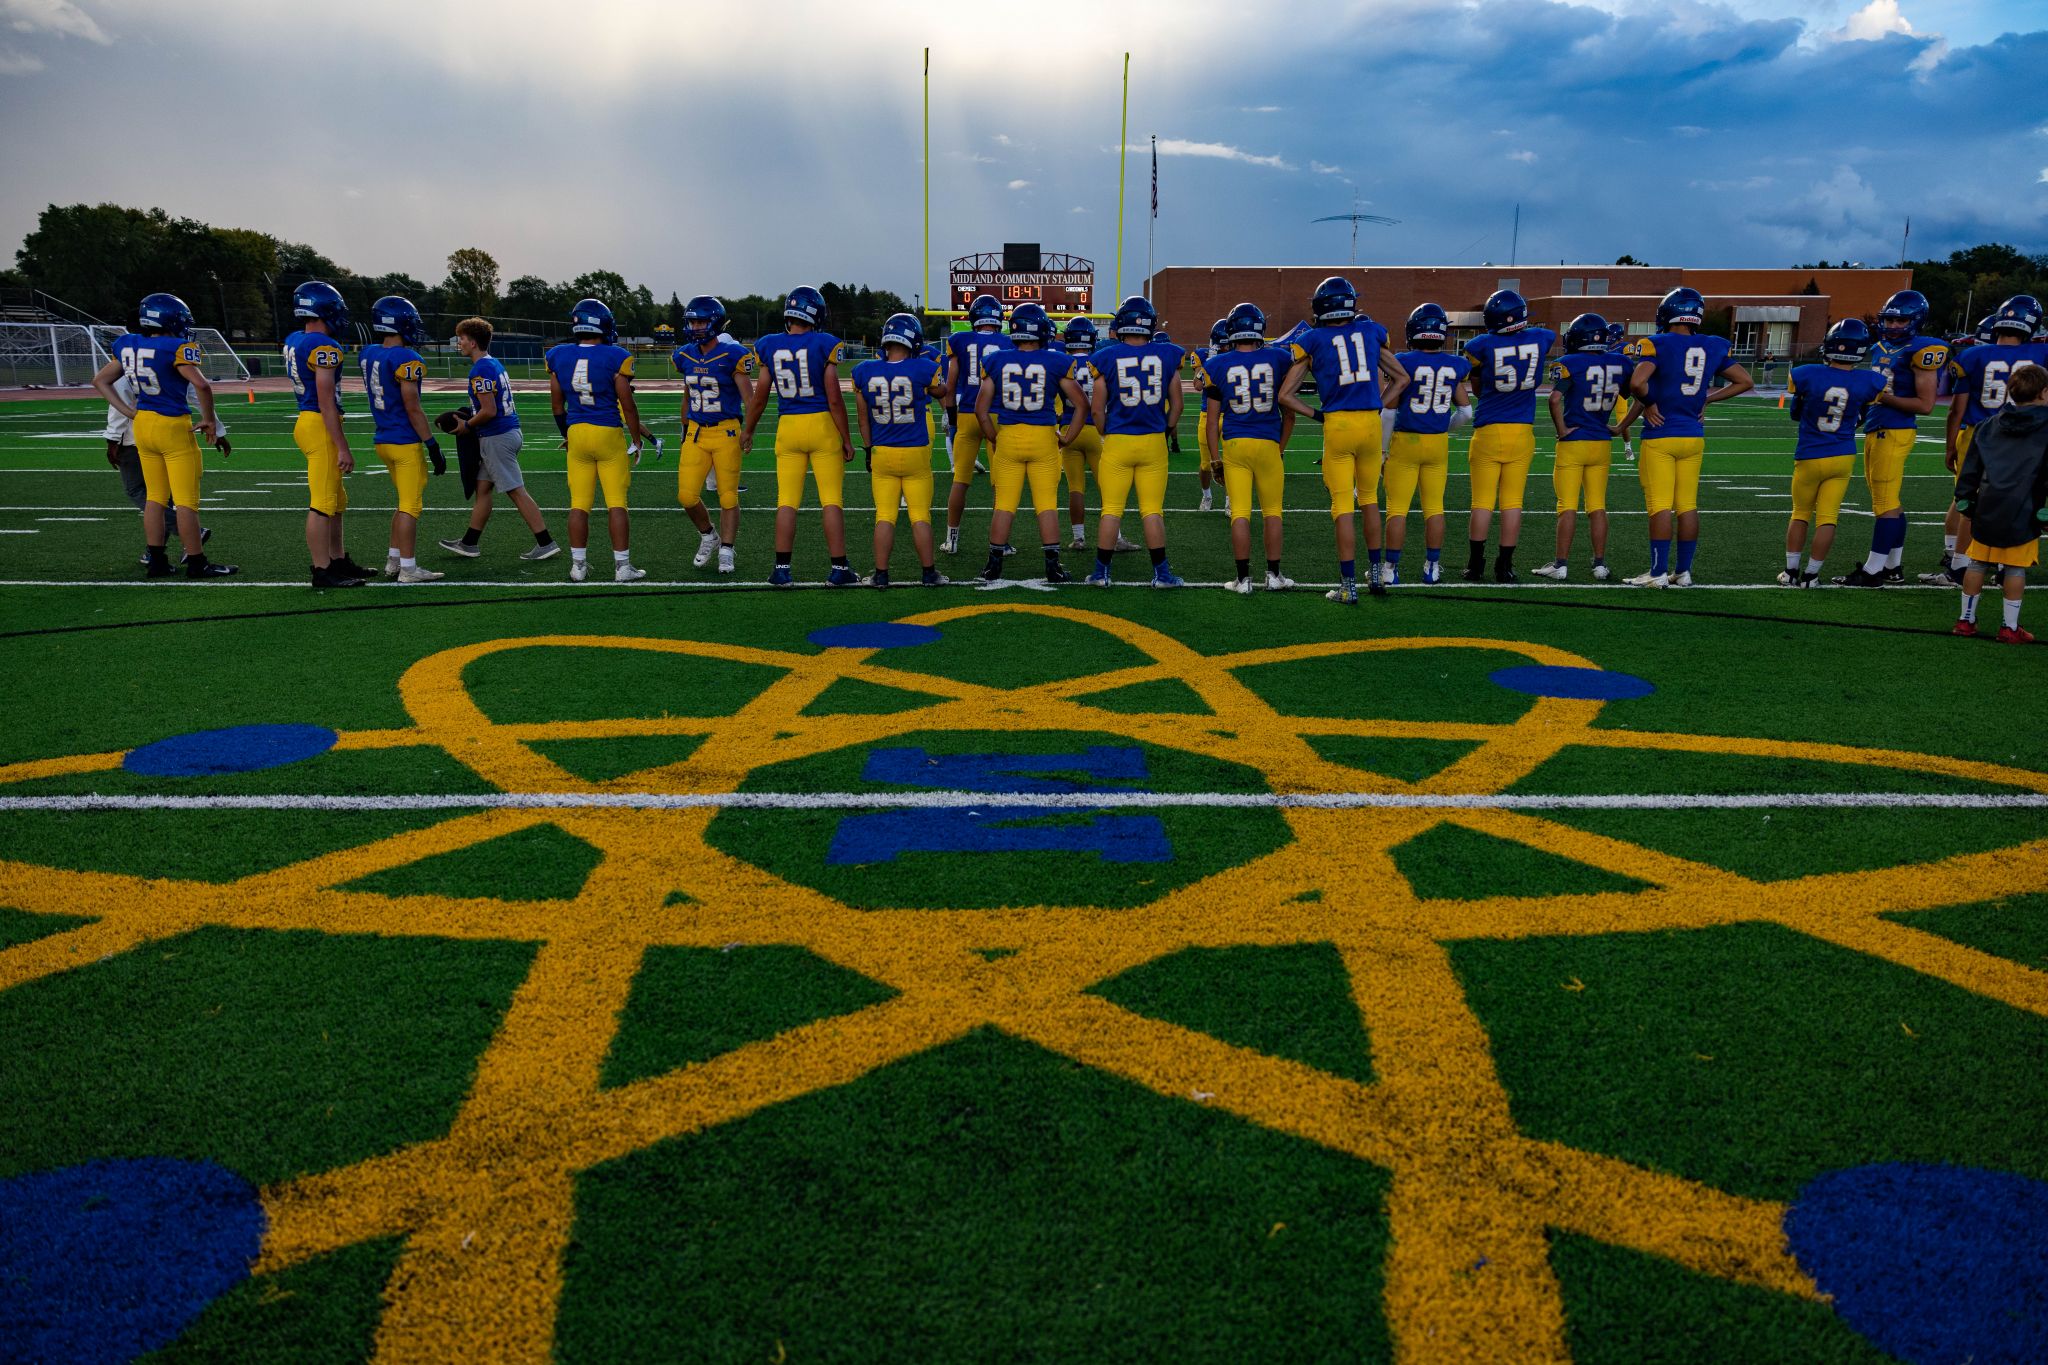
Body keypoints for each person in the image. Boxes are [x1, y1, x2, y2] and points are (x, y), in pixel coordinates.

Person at [1615, 287, 1754, 587]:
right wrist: (1708, 398)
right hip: (1694, 435)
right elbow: (1745, 381)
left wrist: (1650, 403)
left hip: (1661, 434)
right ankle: (1684, 571)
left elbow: (1638, 382)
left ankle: (1656, 573)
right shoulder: (1712, 345)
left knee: (1660, 505)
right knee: (1688, 505)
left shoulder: (1657, 343)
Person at [91, 292, 235, 578]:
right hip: (172, 425)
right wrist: (208, 420)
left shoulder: (127, 344)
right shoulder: (176, 346)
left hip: (143, 424)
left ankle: (156, 561)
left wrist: (129, 412)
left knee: (154, 497)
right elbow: (202, 386)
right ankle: (197, 562)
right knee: (185, 500)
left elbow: (100, 380)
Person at [1282, 275, 1405, 602]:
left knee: (1342, 506)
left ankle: (1349, 586)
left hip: (1338, 425)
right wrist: (1378, 403)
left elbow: (1286, 395)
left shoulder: (1313, 340)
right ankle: (1377, 575)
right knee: (1369, 500)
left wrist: (1317, 414)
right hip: (1370, 424)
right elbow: (1402, 377)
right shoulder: (1371, 331)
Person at [742, 285, 858, 586]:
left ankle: (781, 569)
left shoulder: (769, 345)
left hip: (788, 427)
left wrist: (749, 430)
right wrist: (846, 438)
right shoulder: (824, 343)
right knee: (831, 499)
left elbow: (761, 396)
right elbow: (834, 398)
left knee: (787, 500)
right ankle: (839, 568)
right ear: (816, 314)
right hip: (820, 425)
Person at [1928, 296, 2046, 585]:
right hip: (2029, 438)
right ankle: (2007, 565)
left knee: (1968, 501)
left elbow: (1957, 408)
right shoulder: (2042, 354)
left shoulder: (1970, 357)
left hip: (1981, 435)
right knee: (2022, 498)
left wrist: (1950, 446)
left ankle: (1959, 565)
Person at [1839, 290, 1949, 586]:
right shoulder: (1882, 345)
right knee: (1890, 501)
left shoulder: (1923, 350)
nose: (1893, 325)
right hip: (1878, 426)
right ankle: (1892, 567)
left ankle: (1874, 571)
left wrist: (1880, 397)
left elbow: (1925, 405)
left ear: (1915, 321)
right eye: (1889, 319)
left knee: (1884, 502)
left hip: (1896, 428)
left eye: (1900, 320)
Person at [973, 302, 1087, 583]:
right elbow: (1082, 405)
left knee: (1004, 504)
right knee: (1046, 503)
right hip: (1043, 438)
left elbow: (980, 409)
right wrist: (1068, 437)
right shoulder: (1056, 361)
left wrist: (993, 437)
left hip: (1009, 437)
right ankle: (1052, 567)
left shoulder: (997, 360)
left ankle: (993, 565)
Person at [545, 297, 653, 583]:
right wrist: (636, 439)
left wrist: (567, 435)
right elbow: (627, 404)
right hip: (607, 433)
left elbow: (557, 406)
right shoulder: (615, 356)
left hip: (577, 433)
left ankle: (578, 566)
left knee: (579, 503)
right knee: (616, 502)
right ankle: (622, 567)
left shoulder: (558, 355)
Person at [1081, 295, 1186, 588]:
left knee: (1111, 509)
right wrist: (1164, 430)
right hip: (1153, 441)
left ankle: (1101, 574)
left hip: (1118, 441)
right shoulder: (1168, 355)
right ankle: (1162, 574)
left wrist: (1105, 432)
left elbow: (1097, 409)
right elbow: (1176, 405)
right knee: (1152, 510)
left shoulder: (1105, 357)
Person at [438, 317, 558, 565]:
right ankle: (469, 542)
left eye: (461, 338)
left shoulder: (480, 369)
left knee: (516, 490)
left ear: (472, 342)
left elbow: (489, 410)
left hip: (497, 437)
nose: (459, 342)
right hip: (504, 433)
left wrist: (466, 426)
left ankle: (546, 542)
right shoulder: (492, 364)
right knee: (483, 488)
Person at [1780, 320, 1888, 587]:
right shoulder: (1870, 381)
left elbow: (1796, 413)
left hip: (1809, 454)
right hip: (1842, 455)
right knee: (1828, 517)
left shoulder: (1806, 374)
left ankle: (1791, 572)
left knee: (1800, 513)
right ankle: (1812, 575)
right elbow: (1862, 412)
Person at [1460, 289, 1557, 582]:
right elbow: (1545, 335)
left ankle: (1475, 566)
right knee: (1513, 502)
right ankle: (1505, 567)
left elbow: (1477, 388)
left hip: (1489, 429)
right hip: (1522, 431)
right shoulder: (1542, 338)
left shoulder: (1480, 345)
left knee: (1482, 502)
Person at [1950, 361, 2047, 642]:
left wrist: (1965, 499)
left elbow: (1970, 467)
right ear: (2042, 393)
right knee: (2015, 568)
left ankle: (1965, 621)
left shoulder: (1987, 425)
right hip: (2025, 506)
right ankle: (2009, 627)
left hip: (1987, 504)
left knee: (1977, 563)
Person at [282, 281, 370, 588]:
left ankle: (337, 559)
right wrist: (342, 446)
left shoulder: (295, 339)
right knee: (321, 501)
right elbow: (325, 400)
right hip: (319, 423)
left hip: (309, 421)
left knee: (336, 499)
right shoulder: (324, 347)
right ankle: (322, 570)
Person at [851, 312, 949, 586]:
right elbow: (942, 391)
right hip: (916, 450)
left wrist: (868, 449)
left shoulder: (864, 370)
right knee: (920, 515)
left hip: (882, 450)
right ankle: (929, 573)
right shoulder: (923, 368)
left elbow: (862, 418)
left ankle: (881, 575)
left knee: (884, 515)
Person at [1204, 302, 1295, 594]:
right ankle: (1274, 575)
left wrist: (1215, 458)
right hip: (1268, 441)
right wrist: (1280, 447)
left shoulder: (1216, 364)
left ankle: (1242, 580)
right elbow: (1289, 413)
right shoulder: (1280, 359)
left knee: (1240, 512)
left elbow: (1211, 421)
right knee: (1272, 513)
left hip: (1234, 443)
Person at [1381, 303, 1472, 586]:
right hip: (1437, 444)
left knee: (1398, 509)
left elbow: (1388, 412)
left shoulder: (1403, 361)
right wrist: (1442, 427)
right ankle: (1432, 566)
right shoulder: (1454, 365)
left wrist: (1382, 451)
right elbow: (1467, 413)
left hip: (1405, 441)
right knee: (1434, 507)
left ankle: (1389, 569)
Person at [358, 295, 446, 583]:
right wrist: (432, 444)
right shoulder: (407, 358)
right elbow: (412, 406)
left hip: (382, 439)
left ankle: (394, 561)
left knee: (402, 502)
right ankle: (408, 569)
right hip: (404, 441)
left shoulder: (369, 352)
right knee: (411, 505)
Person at [1534, 313, 1628, 582]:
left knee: (1567, 506)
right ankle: (1599, 565)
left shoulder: (1568, 362)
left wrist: (1561, 429)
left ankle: (1561, 565)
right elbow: (1643, 395)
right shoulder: (1619, 361)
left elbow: (1554, 400)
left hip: (1574, 442)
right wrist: (1622, 427)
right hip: (1601, 442)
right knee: (1597, 505)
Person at [101, 368, 216, 570]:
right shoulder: (170, 359)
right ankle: (155, 552)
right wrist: (217, 426)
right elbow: (197, 392)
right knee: (165, 497)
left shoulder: (130, 356)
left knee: (145, 493)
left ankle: (183, 541)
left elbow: (114, 396)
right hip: (172, 431)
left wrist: (112, 437)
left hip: (138, 435)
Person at [671, 295, 752, 574]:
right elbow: (687, 395)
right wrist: (684, 428)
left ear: (714, 322)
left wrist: (749, 431)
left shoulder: (733, 355)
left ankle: (727, 549)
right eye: (692, 321)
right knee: (686, 496)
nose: (695, 326)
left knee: (728, 497)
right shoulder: (685, 355)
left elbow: (749, 398)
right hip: (696, 433)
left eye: (701, 321)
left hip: (726, 431)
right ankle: (709, 535)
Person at [942, 293, 1009, 554]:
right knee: (999, 483)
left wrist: (952, 418)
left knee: (960, 481)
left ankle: (952, 540)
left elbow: (950, 386)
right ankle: (1000, 543)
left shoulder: (958, 340)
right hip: (996, 415)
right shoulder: (1007, 343)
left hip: (968, 413)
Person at [1059, 316, 1108, 549]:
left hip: (1069, 428)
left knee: (1075, 487)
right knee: (1107, 487)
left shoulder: (1062, 363)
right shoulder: (1099, 361)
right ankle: (1115, 538)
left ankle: (1078, 538)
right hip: (1095, 430)